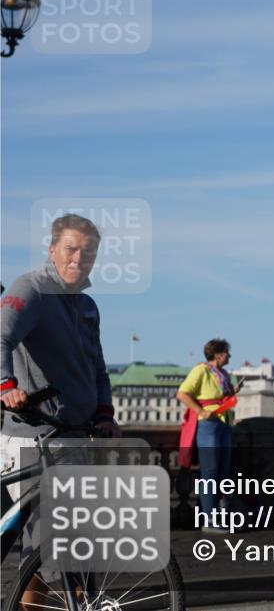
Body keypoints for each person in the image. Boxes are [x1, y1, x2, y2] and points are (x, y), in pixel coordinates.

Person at [1, 213, 122, 608]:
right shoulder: (31, 290)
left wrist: (105, 412)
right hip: (34, 434)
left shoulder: (86, 306)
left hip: (74, 435)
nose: (78, 259)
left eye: (88, 253)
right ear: (52, 249)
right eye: (70, 249)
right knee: (46, 542)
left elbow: (97, 368)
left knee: (69, 542)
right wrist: (6, 386)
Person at [176, 337, 242, 532]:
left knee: (222, 472)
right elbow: (183, 393)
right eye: (227, 352)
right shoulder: (201, 370)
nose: (229, 355)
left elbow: (222, 397)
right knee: (210, 473)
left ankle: (213, 515)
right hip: (209, 425)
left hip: (224, 424)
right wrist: (201, 411)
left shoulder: (223, 373)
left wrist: (233, 391)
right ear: (218, 354)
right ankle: (210, 521)